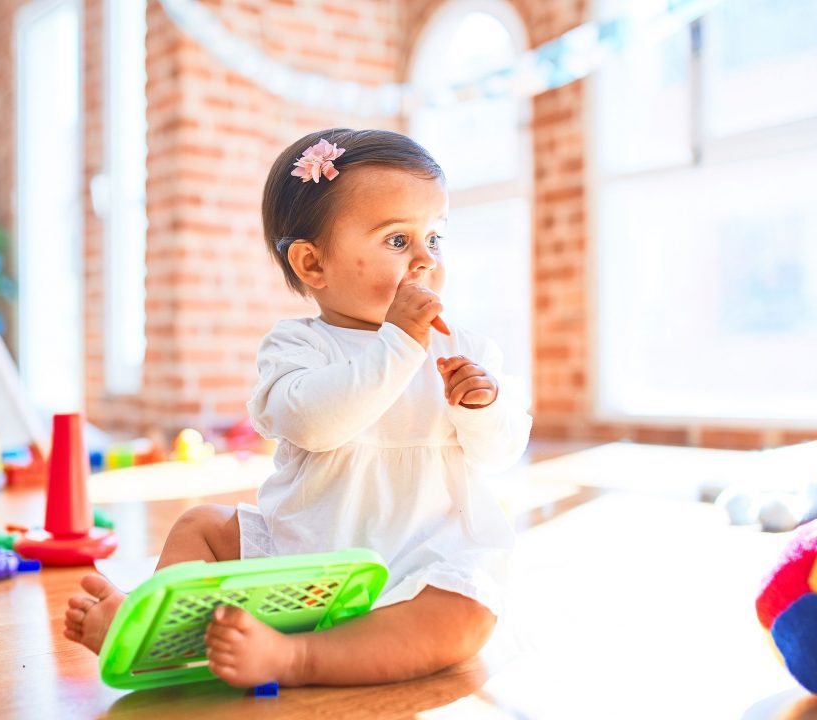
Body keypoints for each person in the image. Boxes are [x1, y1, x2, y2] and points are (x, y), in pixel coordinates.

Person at [64, 128, 532, 688]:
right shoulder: (297, 348)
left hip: (417, 563)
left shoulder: (464, 348)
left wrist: (483, 407)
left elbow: (500, 453)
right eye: (396, 241)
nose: (425, 261)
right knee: (204, 526)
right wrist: (400, 342)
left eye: (435, 238)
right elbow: (317, 424)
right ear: (313, 265)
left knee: (468, 613)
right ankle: (151, 628)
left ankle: (296, 659)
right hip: (302, 562)